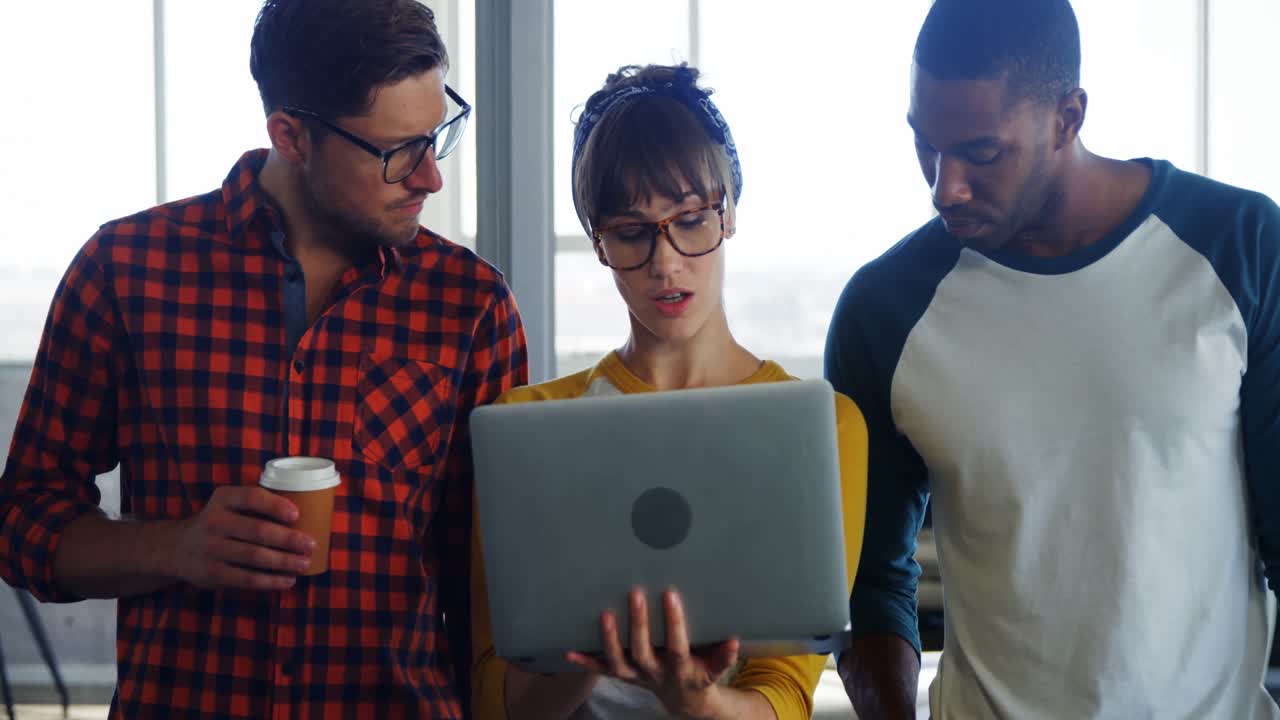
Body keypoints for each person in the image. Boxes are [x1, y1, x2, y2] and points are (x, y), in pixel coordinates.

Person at [0, 1, 527, 717]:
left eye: (438, 136)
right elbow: (23, 521)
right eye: (397, 152)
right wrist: (172, 548)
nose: (431, 177)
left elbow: (491, 591)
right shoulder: (124, 271)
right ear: (291, 135)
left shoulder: (471, 306)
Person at [825, 0, 1280, 717]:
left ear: (1067, 118)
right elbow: (868, 579)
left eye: (980, 152)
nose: (945, 186)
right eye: (926, 145)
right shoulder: (884, 310)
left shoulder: (1240, 247)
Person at [468, 64, 868, 720]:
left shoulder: (818, 430)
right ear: (598, 242)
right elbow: (494, 702)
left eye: (689, 220)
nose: (666, 261)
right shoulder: (530, 429)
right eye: (631, 232)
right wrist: (587, 653)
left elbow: (786, 691)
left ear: (729, 211)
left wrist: (700, 703)